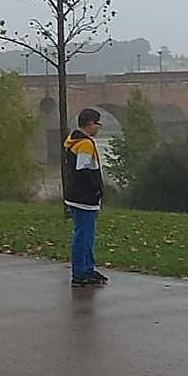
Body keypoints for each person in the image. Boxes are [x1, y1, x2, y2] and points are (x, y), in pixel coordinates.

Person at [63, 108, 107, 287]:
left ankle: (88, 268)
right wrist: (95, 188)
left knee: (86, 234)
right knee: (83, 236)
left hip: (77, 196)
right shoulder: (85, 144)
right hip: (84, 198)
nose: (99, 127)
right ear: (90, 123)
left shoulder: (74, 140)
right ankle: (80, 273)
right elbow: (82, 169)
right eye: (98, 123)